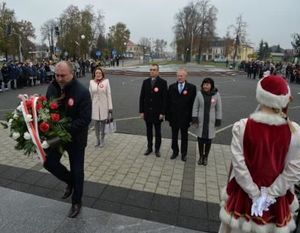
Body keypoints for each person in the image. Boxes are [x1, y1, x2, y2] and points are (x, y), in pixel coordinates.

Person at [219, 75, 300, 233]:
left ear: (260, 96)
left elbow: (239, 165)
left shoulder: (242, 126)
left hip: (243, 197)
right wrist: (269, 195)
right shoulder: (294, 131)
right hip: (276, 202)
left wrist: (255, 194)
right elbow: (294, 171)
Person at [44, 61, 92, 218]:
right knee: (49, 162)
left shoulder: (82, 92)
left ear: (72, 73)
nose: (58, 78)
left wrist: (64, 129)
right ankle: (70, 182)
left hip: (76, 137)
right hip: (57, 136)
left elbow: (85, 119)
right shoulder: (52, 87)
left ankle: (76, 202)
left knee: (77, 170)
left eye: (62, 75)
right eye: (56, 75)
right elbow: (46, 109)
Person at [166, 68, 196, 161]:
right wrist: (168, 116)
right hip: (174, 117)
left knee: (184, 136)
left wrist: (192, 118)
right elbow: (168, 102)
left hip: (185, 117)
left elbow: (193, 104)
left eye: (181, 75)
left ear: (185, 76)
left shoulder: (192, 87)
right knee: (174, 136)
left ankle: (184, 153)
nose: (179, 77)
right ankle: (175, 152)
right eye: (178, 75)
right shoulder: (171, 87)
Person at [139, 64, 168, 157]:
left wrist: (162, 113)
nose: (152, 71)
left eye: (154, 70)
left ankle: (157, 149)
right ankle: (149, 148)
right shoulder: (145, 82)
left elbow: (165, 99)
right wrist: (142, 111)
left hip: (157, 113)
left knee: (158, 132)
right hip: (147, 112)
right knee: (149, 131)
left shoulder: (163, 82)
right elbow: (142, 97)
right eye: (151, 70)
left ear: (158, 71)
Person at [192, 78, 222, 166]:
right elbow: (195, 107)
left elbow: (219, 109)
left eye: (208, 84)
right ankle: (201, 156)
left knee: (209, 140)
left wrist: (218, 119)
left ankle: (206, 157)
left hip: (211, 121)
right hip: (201, 121)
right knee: (200, 139)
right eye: (204, 84)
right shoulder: (199, 94)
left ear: (211, 85)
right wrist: (195, 119)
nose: (206, 86)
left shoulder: (216, 95)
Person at [89, 66, 113, 147]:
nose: (98, 74)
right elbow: (90, 95)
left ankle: (102, 139)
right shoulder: (91, 82)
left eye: (99, 73)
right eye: (96, 73)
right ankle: (97, 139)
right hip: (95, 106)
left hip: (104, 106)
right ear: (94, 74)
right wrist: (89, 106)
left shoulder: (106, 81)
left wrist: (110, 107)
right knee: (96, 123)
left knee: (103, 123)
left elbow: (108, 94)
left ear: (102, 74)